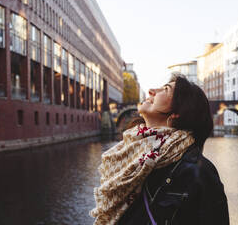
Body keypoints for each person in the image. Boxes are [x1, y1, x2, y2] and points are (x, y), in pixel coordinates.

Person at [90, 74, 229, 225]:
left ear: (177, 112)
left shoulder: (199, 173)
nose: (151, 91)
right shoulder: (129, 154)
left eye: (165, 89)